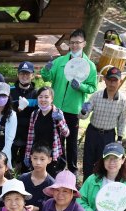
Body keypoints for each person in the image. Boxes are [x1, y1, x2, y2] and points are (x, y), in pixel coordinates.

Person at [41, 29, 98, 174]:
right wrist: (46, 70)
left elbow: (92, 87)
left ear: (84, 43)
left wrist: (81, 86)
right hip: (57, 108)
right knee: (57, 139)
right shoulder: (59, 61)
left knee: (71, 141)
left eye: (77, 43)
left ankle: (72, 170)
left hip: (74, 109)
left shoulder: (89, 66)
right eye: (71, 43)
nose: (74, 46)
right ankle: (58, 167)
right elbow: (47, 78)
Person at [79, 67, 126, 180]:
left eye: (115, 80)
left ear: (120, 81)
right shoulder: (96, 96)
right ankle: (86, 184)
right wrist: (83, 110)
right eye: (110, 80)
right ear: (105, 80)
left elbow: (122, 121)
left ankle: (100, 184)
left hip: (109, 135)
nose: (112, 83)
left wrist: (120, 139)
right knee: (88, 160)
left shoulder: (123, 100)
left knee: (104, 161)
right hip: (93, 132)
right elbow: (83, 116)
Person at [24, 87, 70, 177]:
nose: (43, 99)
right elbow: (30, 136)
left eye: (46, 97)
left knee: (51, 181)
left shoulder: (57, 113)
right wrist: (27, 154)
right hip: (37, 155)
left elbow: (66, 133)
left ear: (52, 99)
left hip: (53, 156)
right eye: (40, 97)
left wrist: (60, 121)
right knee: (37, 179)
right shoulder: (35, 114)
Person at [10, 61, 38, 171]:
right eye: (22, 73)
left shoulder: (36, 93)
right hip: (12, 133)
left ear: (32, 75)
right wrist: (17, 109)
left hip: (29, 134)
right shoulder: (10, 91)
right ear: (18, 75)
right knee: (9, 162)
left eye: (27, 73)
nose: (24, 76)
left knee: (25, 165)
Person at [19, 145, 54, 211]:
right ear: (31, 158)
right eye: (35, 158)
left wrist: (37, 209)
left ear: (49, 160)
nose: (38, 162)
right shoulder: (22, 179)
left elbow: (53, 207)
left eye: (42, 159)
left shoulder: (52, 184)